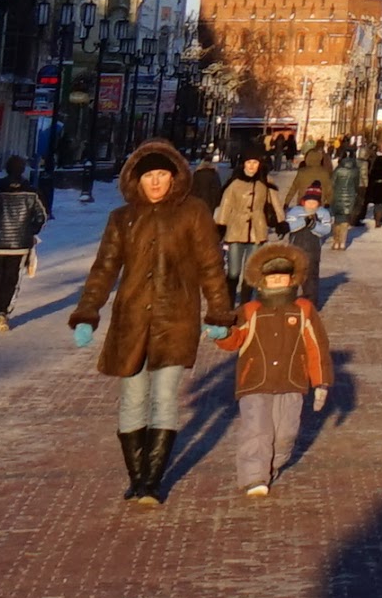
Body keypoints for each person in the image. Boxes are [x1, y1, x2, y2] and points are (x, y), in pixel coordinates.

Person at [66, 139, 226, 508]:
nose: (155, 183)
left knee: (165, 397)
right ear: (136, 181)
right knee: (133, 399)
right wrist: (88, 313)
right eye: (148, 176)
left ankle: (153, 481)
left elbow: (210, 267)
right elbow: (104, 269)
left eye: (162, 175)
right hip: (132, 319)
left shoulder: (193, 213)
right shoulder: (123, 218)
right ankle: (136, 477)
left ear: (174, 178)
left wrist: (218, 313)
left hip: (176, 318)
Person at [220, 236, 331, 498]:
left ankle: (272, 465)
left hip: (291, 381)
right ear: (262, 281)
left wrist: (321, 382)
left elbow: (316, 347)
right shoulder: (250, 310)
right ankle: (253, 476)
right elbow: (235, 340)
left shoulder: (303, 309)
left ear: (292, 279)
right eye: (272, 277)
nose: (278, 281)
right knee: (257, 430)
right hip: (255, 381)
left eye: (283, 276)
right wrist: (221, 333)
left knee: (285, 433)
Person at [0, 164, 48, 328]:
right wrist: (30, 231)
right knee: (12, 278)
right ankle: (3, 311)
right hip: (20, 244)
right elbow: (41, 216)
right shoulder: (32, 193)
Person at [212, 147, 276, 300]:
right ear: (244, 164)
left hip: (257, 231)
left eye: (255, 162)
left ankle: (245, 304)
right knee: (233, 271)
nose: (252, 166)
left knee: (251, 271)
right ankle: (229, 302)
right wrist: (221, 226)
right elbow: (225, 206)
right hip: (235, 230)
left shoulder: (265, 182)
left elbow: (274, 202)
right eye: (249, 162)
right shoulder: (234, 183)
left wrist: (279, 221)